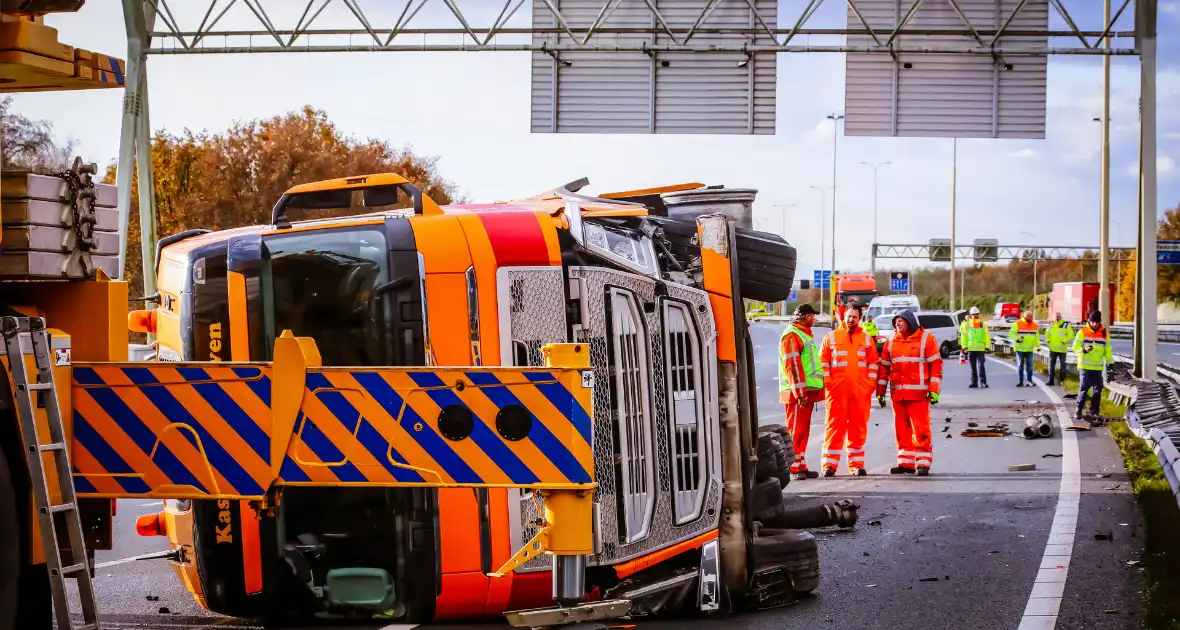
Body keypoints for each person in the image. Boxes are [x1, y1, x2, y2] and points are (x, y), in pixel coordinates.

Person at [877, 309, 942, 476]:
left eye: (901, 321)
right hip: (898, 395)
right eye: (896, 322)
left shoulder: (926, 339)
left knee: (921, 430)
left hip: (919, 395)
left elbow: (936, 366)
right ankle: (905, 463)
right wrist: (881, 391)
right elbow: (884, 367)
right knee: (901, 430)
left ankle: (923, 463)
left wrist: (934, 390)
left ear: (910, 322)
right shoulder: (891, 340)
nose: (897, 324)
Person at [820, 303, 879, 477]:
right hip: (836, 392)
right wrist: (830, 383)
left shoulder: (867, 339)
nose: (851, 319)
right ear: (843, 316)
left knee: (858, 428)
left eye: (854, 317)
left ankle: (856, 465)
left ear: (859, 319)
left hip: (860, 392)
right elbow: (824, 363)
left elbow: (873, 364)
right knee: (834, 427)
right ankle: (829, 465)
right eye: (848, 316)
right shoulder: (830, 338)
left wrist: (869, 386)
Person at [779, 304, 825, 480]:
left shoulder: (802, 334)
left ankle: (800, 464)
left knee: (802, 430)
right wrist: (800, 393)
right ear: (807, 317)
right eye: (813, 316)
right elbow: (793, 367)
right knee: (796, 430)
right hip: (797, 394)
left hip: (804, 392)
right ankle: (794, 467)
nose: (814, 320)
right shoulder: (792, 335)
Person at [1073, 310, 1112, 420]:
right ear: (1089, 321)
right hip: (1085, 367)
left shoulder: (1104, 333)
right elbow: (1075, 347)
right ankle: (1078, 410)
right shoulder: (1082, 332)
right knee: (1083, 389)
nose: (1094, 324)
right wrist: (1083, 350)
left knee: (1097, 391)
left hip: (1097, 367)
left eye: (1096, 322)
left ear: (1100, 322)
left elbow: (1108, 350)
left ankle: (1094, 412)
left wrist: (1110, 363)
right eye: (1092, 321)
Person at [959, 307, 991, 388]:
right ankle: (974, 383)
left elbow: (987, 336)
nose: (975, 316)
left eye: (977, 314)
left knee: (981, 366)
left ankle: (983, 382)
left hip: (980, 349)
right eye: (973, 314)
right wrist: (965, 347)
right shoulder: (966, 324)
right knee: (973, 368)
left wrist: (987, 346)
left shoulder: (983, 324)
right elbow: (963, 336)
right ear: (970, 315)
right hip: (970, 349)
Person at [1009, 310, 1041, 387]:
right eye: (1030, 317)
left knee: (1030, 366)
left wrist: (1038, 346)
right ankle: (1020, 381)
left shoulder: (1034, 325)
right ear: (1026, 317)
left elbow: (1036, 337)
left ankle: (1029, 381)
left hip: (1029, 349)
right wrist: (1017, 339)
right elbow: (1011, 333)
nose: (1032, 318)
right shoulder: (1017, 323)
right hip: (1020, 349)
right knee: (1020, 366)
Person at [1045, 312, 1072, 386]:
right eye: (1055, 317)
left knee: (1063, 366)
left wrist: (1064, 341)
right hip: (1052, 349)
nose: (1057, 318)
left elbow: (1071, 335)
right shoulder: (1051, 325)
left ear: (1061, 317)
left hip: (1062, 349)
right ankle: (1050, 380)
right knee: (1051, 365)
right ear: (1053, 318)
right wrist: (1048, 341)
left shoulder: (1066, 325)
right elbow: (1047, 334)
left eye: (1058, 317)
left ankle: (1062, 381)